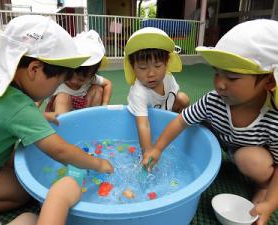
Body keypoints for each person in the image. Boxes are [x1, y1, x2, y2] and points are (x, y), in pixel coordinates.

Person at [143, 19, 278, 225]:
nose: (220, 84)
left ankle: (263, 186)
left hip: (254, 155)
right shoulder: (213, 99)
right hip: (224, 142)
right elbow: (181, 121)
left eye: (232, 78)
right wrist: (157, 149)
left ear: (268, 81)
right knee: (196, 123)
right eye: (217, 73)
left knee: (250, 159)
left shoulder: (272, 118)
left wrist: (269, 203)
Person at [0, 15, 114, 214]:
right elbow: (61, 151)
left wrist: (39, 117)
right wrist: (99, 163)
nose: (56, 89)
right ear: (35, 70)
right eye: (57, 83)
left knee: (16, 161)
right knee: (22, 191)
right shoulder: (18, 105)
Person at [124, 27, 189, 155]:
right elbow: (143, 125)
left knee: (183, 98)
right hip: (145, 118)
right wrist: (148, 152)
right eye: (143, 67)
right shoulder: (139, 92)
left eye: (158, 66)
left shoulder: (169, 78)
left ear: (166, 63)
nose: (151, 73)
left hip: (165, 113)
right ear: (133, 68)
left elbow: (173, 98)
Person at [45, 30, 112, 117]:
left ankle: (90, 118)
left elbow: (108, 84)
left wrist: (105, 104)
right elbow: (39, 96)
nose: (74, 81)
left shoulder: (91, 79)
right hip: (59, 111)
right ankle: (64, 125)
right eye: (69, 76)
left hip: (81, 109)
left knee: (97, 89)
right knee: (63, 97)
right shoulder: (59, 78)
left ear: (91, 76)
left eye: (81, 80)